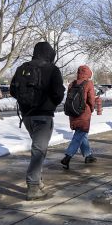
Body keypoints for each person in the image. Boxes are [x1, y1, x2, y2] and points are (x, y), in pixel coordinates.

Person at [10, 41, 65, 201]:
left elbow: (13, 90)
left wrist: (26, 102)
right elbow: (58, 94)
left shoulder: (22, 68)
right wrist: (51, 102)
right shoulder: (52, 69)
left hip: (26, 116)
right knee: (39, 150)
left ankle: (38, 181)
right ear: (49, 54)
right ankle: (33, 185)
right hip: (44, 116)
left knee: (38, 148)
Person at [60, 65, 97, 170]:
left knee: (82, 134)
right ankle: (67, 156)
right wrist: (92, 108)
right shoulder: (89, 83)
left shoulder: (72, 84)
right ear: (88, 73)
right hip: (84, 113)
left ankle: (88, 156)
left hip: (73, 113)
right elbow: (91, 100)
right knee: (79, 135)